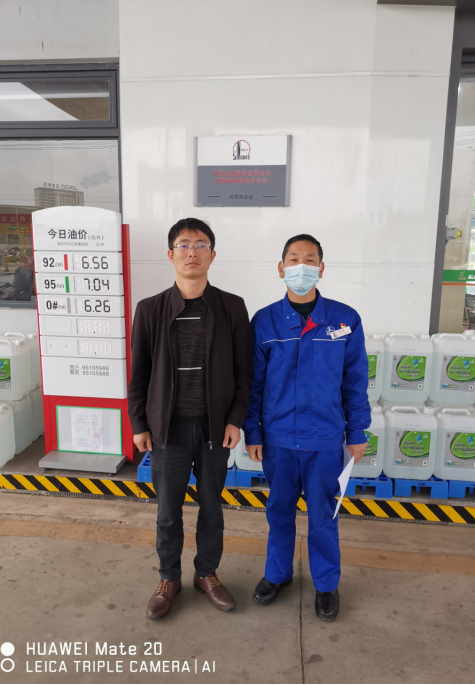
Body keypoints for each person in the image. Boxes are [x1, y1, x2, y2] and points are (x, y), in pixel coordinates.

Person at [128, 217, 253, 620]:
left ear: (212, 255)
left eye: (201, 245)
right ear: (171, 255)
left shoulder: (231, 307)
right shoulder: (150, 310)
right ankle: (169, 578)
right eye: (184, 245)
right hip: (168, 430)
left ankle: (206, 574)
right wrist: (139, 423)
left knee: (211, 507)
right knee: (168, 511)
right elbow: (139, 374)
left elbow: (244, 372)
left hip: (214, 429)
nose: (192, 252)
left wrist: (235, 419)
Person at [243, 233, 370, 621]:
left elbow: (354, 381)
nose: (302, 266)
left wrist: (357, 431)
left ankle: (327, 584)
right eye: (294, 259)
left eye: (310, 259)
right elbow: (253, 384)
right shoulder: (264, 321)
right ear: (281, 268)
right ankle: (277, 574)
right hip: (279, 439)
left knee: (323, 515)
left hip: (326, 439)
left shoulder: (345, 320)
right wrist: (253, 432)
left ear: (321, 268)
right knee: (279, 510)